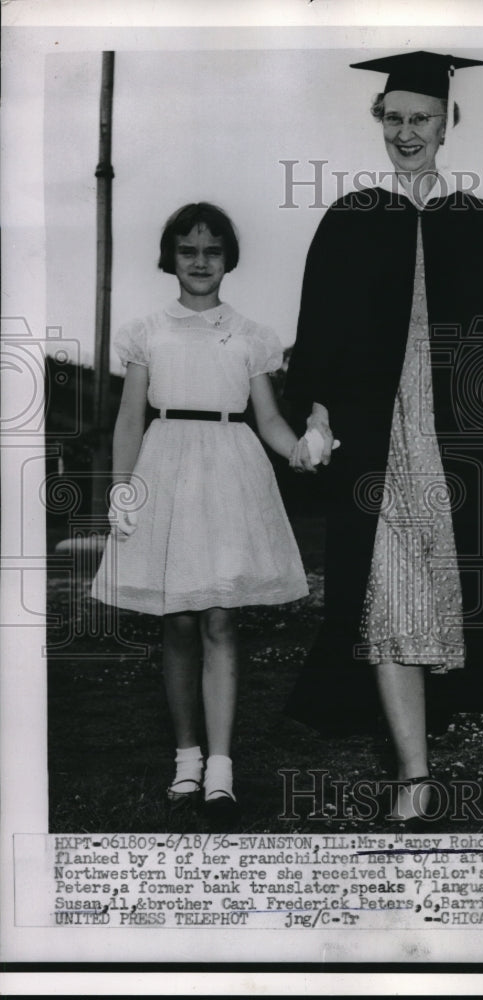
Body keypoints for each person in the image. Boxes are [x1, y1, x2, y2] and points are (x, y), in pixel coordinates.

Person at [283, 51, 483, 820]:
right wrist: (316, 415)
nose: (408, 133)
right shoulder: (350, 221)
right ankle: (414, 773)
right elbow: (319, 337)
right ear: (380, 122)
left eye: (422, 119)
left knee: (453, 597)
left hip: (457, 446)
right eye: (394, 118)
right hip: (379, 443)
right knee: (385, 599)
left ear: (448, 124)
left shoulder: (481, 227)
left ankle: (429, 740)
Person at [92, 202, 311, 821]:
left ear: (228, 260)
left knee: (219, 617)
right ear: (171, 258)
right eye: (188, 250)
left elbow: (267, 419)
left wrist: (302, 451)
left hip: (228, 471)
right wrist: (123, 489)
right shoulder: (146, 331)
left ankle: (220, 766)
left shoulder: (249, 335)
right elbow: (130, 417)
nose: (200, 262)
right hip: (164, 470)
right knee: (178, 621)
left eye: (212, 251)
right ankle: (186, 759)